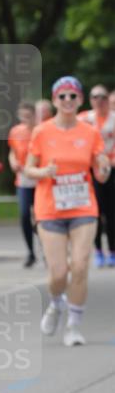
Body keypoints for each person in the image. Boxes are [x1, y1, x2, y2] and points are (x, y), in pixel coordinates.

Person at [25, 76, 110, 346]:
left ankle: (74, 325)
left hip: (83, 205)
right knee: (58, 273)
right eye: (62, 96)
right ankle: (55, 303)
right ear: (54, 100)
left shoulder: (90, 132)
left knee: (81, 266)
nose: (67, 101)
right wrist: (43, 172)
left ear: (80, 100)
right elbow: (28, 168)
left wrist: (104, 166)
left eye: (73, 96)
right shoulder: (42, 132)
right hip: (50, 208)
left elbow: (101, 174)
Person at [78, 84, 115, 267]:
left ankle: (113, 251)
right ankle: (98, 251)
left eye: (102, 97)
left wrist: (108, 162)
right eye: (95, 97)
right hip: (90, 172)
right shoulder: (84, 118)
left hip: (111, 170)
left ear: (108, 99)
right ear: (90, 100)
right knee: (95, 212)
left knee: (111, 213)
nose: (99, 101)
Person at [7, 101, 37, 267]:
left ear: (34, 115)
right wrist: (12, 162)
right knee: (25, 215)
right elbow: (12, 152)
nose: (25, 119)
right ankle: (30, 252)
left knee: (40, 217)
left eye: (28, 116)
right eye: (22, 116)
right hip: (23, 180)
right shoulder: (16, 131)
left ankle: (48, 248)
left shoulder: (40, 132)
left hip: (39, 180)